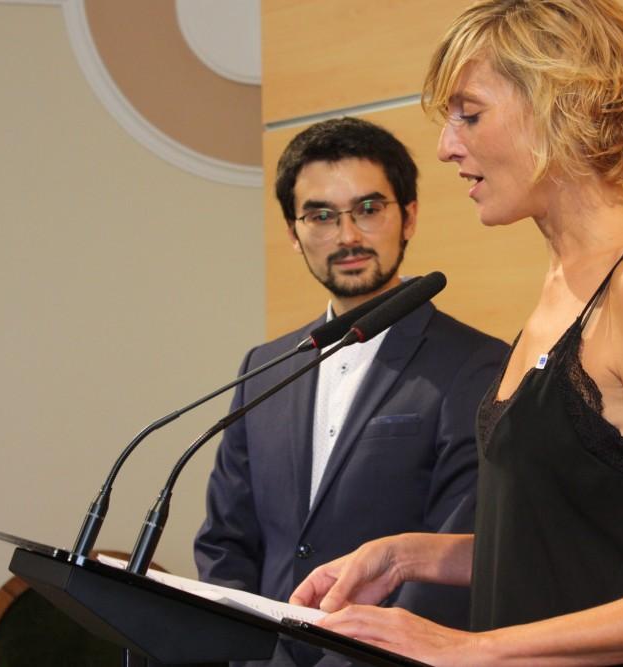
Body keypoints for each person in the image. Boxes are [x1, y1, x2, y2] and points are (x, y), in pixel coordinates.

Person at [289, 2, 623, 665]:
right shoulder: (563, 282)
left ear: (557, 108)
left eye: (470, 115)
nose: (446, 147)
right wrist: (405, 556)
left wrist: (474, 648)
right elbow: (566, 545)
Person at [194, 117, 509, 664]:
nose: (347, 237)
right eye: (321, 216)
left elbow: (452, 556)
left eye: (368, 209)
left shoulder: (477, 364)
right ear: (293, 233)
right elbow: (226, 543)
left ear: (409, 216)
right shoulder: (264, 369)